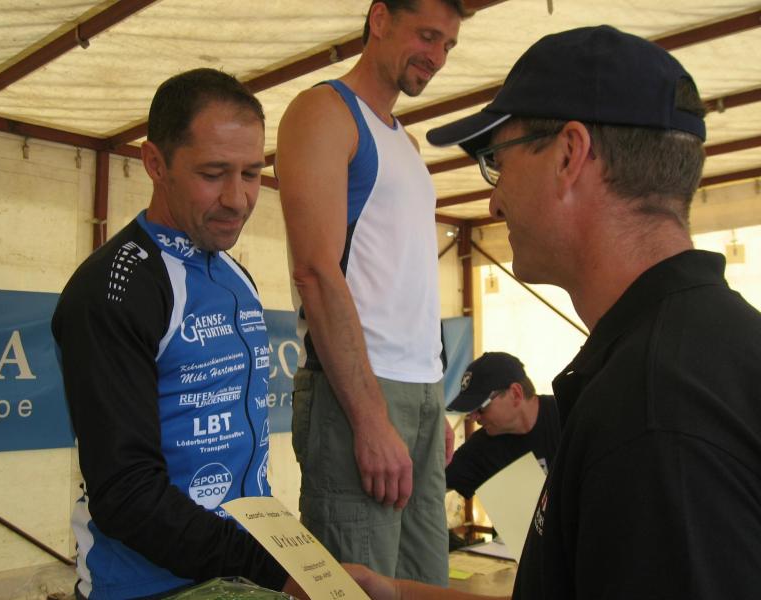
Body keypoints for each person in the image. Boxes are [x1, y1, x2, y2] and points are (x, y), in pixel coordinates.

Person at [347, 24, 761, 600]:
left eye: (497, 162)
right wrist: (398, 595)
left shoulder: (653, 412)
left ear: (569, 155)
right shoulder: (704, 347)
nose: (494, 200)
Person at [52, 69, 304, 599]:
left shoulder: (236, 276)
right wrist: (269, 567)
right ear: (155, 163)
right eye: (213, 173)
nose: (238, 199)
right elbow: (126, 493)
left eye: (252, 173)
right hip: (146, 587)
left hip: (244, 573)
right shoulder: (112, 288)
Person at [275, 0, 469, 585]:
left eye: (447, 45)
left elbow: (406, 278)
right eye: (427, 36)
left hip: (420, 391)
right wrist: (370, 419)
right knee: (354, 586)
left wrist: (434, 404)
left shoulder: (406, 143)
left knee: (423, 587)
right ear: (379, 19)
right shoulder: (324, 111)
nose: (437, 57)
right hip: (358, 392)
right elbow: (315, 272)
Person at [445, 352, 560, 500]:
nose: (473, 418)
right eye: (470, 410)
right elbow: (433, 480)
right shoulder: (481, 449)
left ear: (516, 394)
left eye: (480, 407)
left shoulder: (569, 416)